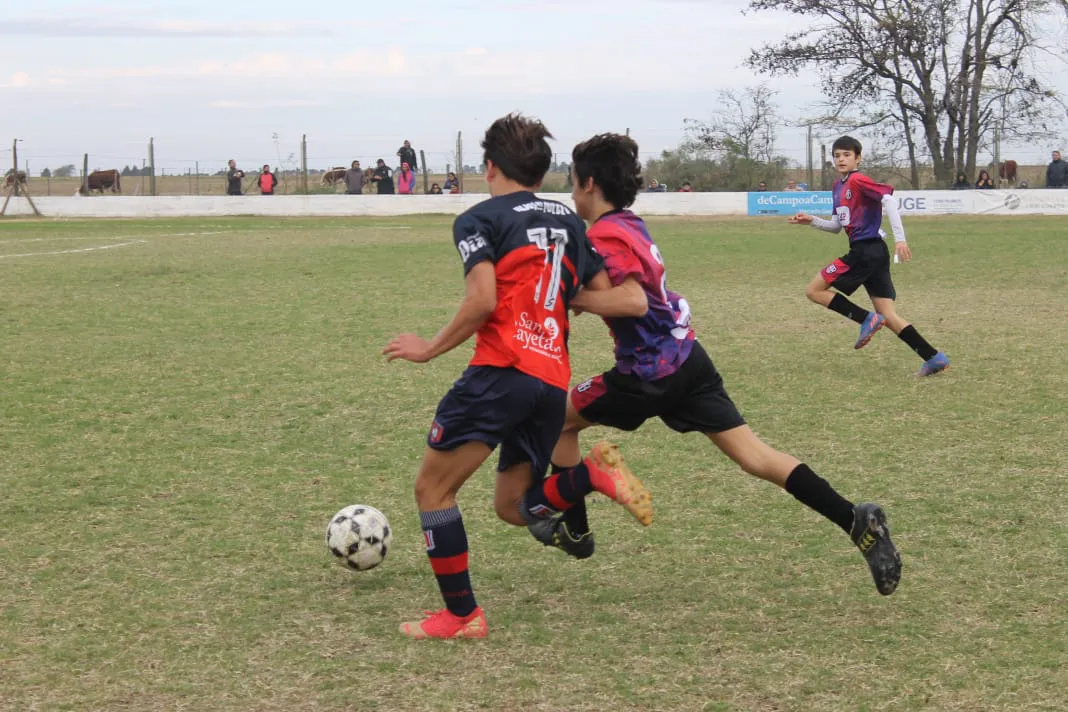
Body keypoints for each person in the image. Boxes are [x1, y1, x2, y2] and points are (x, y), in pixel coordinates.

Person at [518, 133, 902, 598]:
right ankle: (856, 521)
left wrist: (571, 297)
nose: (571, 191)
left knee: (556, 420)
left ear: (589, 183)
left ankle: (575, 532)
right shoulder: (628, 223)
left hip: (648, 372)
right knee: (757, 458)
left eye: (573, 182)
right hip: (686, 356)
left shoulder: (604, 234)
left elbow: (634, 300)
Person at [382, 114, 649, 640]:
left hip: (500, 372)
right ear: (542, 169)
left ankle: (463, 617)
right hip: (550, 379)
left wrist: (430, 348)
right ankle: (590, 477)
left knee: (432, 489)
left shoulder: (479, 219)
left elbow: (482, 299)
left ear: (490, 166)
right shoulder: (570, 222)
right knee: (513, 507)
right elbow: (610, 294)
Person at [788, 135, 949, 376]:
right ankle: (933, 357)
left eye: (847, 155)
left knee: (814, 290)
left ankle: (865, 319)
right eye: (837, 155)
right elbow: (835, 227)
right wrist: (811, 220)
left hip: (865, 251)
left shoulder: (858, 180)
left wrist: (901, 239)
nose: (841, 159)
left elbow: (889, 200)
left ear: (858, 157)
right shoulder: (838, 187)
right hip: (873, 252)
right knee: (887, 314)